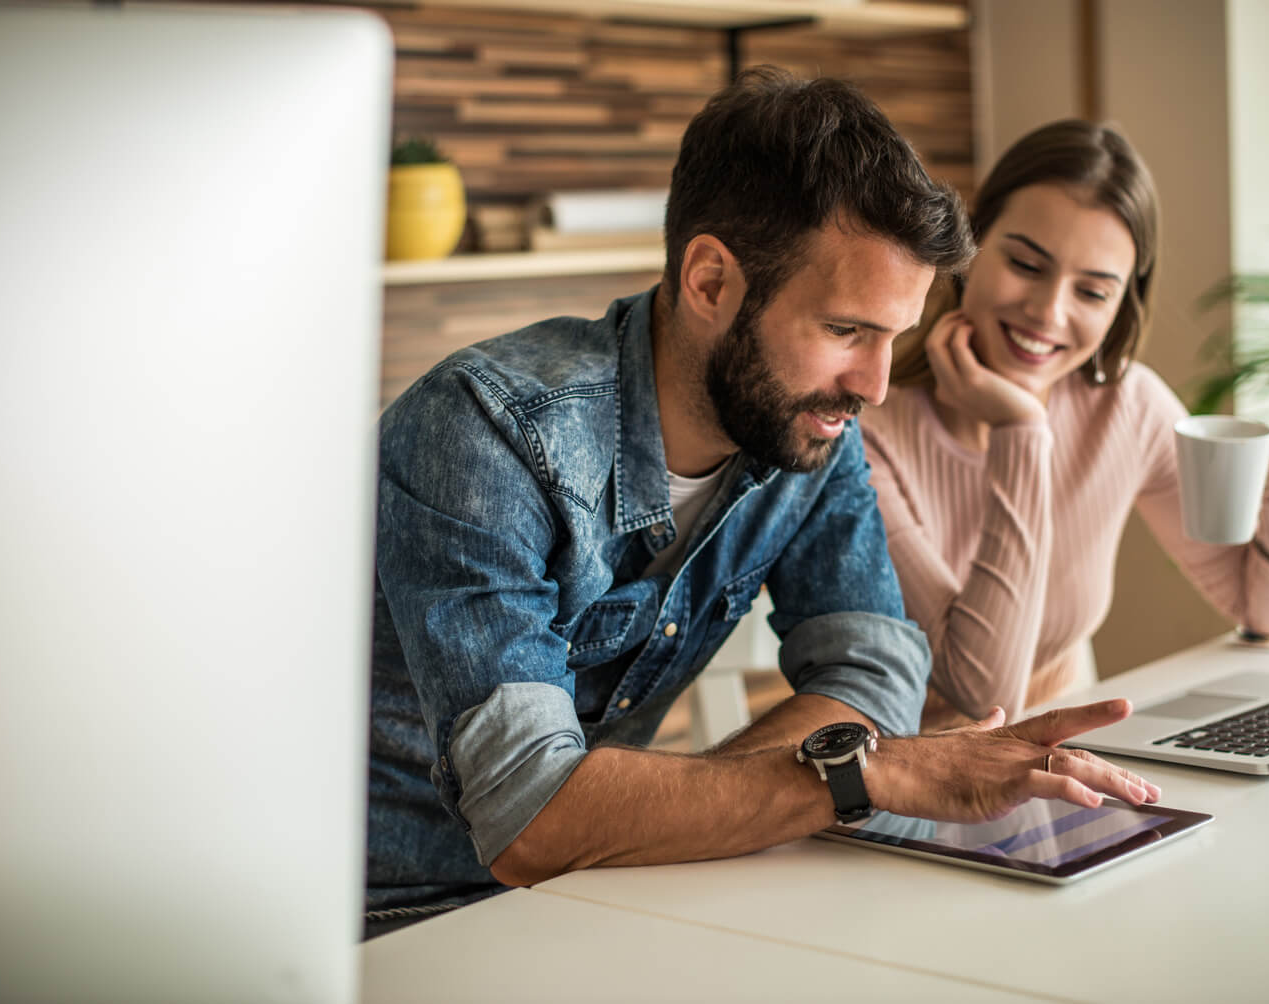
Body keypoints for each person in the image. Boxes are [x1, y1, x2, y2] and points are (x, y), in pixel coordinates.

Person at [365, 72, 1160, 936]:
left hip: (607, 893)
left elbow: (875, 674)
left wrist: (685, 807)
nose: (877, 385)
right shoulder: (485, 433)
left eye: (893, 337)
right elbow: (528, 816)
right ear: (710, 282)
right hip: (395, 919)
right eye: (847, 330)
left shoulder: (811, 427)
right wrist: (861, 775)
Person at [861, 119, 1269, 730]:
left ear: (1120, 308)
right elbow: (984, 697)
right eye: (1027, 264)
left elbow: (1268, 614)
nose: (1048, 312)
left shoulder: (1125, 406)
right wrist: (1021, 429)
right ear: (972, 247)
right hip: (906, 785)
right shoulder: (869, 434)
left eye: (1093, 292)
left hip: (1069, 764)